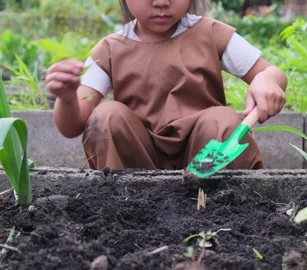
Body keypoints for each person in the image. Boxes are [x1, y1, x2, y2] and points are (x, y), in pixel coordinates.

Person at [45, 0, 287, 171]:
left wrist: (266, 80)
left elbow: (271, 71)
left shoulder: (210, 33)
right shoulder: (110, 49)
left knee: (223, 121)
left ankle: (225, 208)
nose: (161, 2)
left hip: (207, 157)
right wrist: (67, 98)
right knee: (106, 116)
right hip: (135, 164)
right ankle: (120, 207)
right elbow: (73, 126)